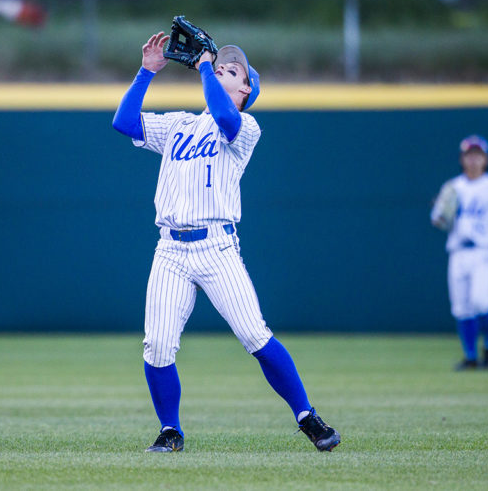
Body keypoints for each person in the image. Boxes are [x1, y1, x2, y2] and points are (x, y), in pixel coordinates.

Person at [112, 31, 341, 453]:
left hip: (217, 248)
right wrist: (146, 72)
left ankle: (307, 416)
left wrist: (203, 67)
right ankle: (170, 431)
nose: (220, 70)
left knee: (255, 335)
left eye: (230, 70)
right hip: (171, 250)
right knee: (157, 345)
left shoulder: (244, 127)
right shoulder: (180, 124)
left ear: (246, 89)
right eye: (218, 67)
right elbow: (124, 122)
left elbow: (225, 118)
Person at [431, 135, 488, 370]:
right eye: (469, 155)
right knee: (461, 307)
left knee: (481, 301)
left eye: (478, 155)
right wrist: (440, 214)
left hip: (485, 251)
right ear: (462, 158)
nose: (473, 160)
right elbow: (438, 221)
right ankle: (470, 357)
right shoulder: (452, 187)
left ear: (486, 159)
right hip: (458, 251)